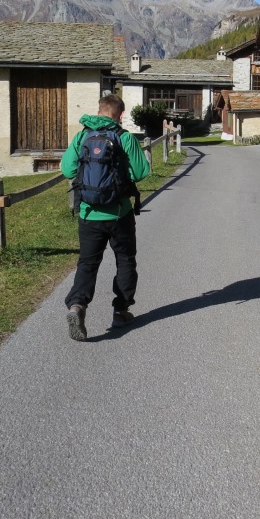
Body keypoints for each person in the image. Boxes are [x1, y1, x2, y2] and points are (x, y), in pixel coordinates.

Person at [62, 93, 151, 341]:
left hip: (88, 213)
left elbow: (67, 169)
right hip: (119, 213)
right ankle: (121, 312)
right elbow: (141, 172)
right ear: (120, 115)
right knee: (125, 260)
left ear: (99, 111)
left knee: (88, 263)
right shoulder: (124, 137)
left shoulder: (82, 136)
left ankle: (77, 306)